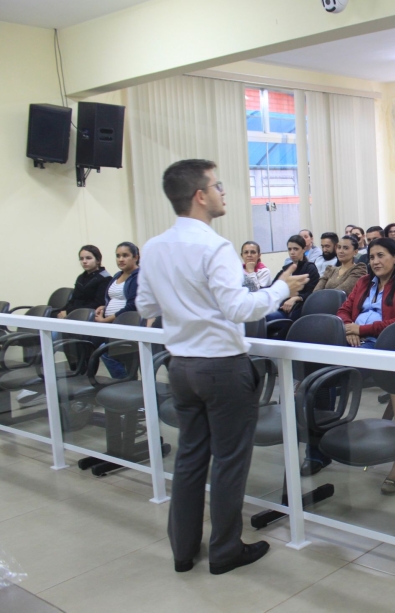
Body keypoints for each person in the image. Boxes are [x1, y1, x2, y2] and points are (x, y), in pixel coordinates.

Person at [136, 159, 309, 576]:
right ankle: (226, 549)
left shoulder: (156, 246)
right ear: (200, 195)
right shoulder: (214, 246)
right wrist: (281, 288)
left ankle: (183, 550)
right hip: (221, 367)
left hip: (181, 366)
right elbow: (237, 308)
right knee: (230, 460)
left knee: (191, 457)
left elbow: (145, 305)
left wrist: (183, 305)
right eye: (218, 186)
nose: (223, 192)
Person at [337, 238, 395, 493]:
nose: (375, 261)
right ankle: (317, 444)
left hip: (388, 346)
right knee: (321, 372)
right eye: (371, 257)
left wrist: (361, 329)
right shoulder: (363, 282)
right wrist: (349, 329)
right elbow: (343, 310)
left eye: (381, 255)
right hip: (353, 342)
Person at [265, 235, 320, 322]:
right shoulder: (286, 269)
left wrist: (295, 298)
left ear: (304, 249)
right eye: (290, 249)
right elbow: (273, 287)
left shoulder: (310, 268)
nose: (292, 252)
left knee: (265, 318)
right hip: (279, 307)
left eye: (296, 249)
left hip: (296, 311)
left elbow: (312, 293)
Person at [57, 245, 110, 318]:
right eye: (81, 259)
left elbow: (98, 303)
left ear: (98, 260)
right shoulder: (81, 277)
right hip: (75, 311)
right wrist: (63, 311)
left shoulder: (105, 278)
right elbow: (73, 300)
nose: (84, 261)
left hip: (88, 315)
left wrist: (69, 312)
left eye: (88, 258)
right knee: (52, 314)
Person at [94, 242, 140, 324]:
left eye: (125, 255)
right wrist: (104, 307)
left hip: (126, 322)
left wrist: (105, 320)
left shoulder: (138, 276)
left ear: (135, 258)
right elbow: (116, 299)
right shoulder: (117, 275)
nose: (121, 259)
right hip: (110, 322)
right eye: (118, 256)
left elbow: (132, 306)